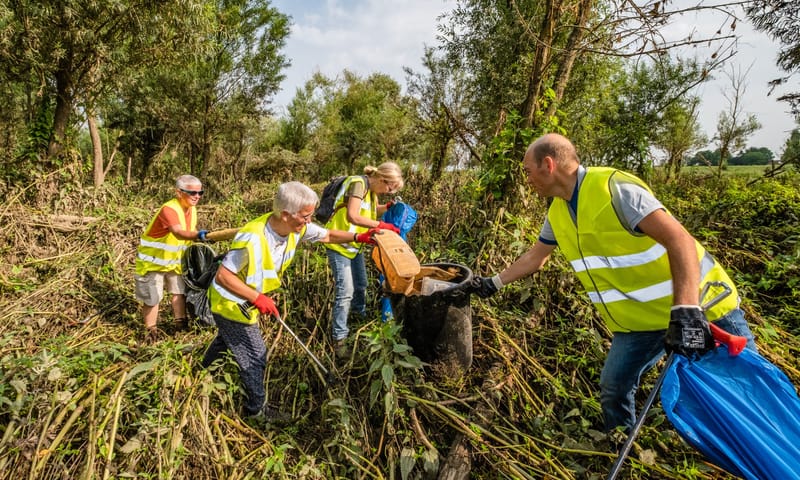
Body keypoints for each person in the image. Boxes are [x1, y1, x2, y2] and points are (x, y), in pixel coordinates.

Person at [471, 133, 757, 433]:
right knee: (614, 386)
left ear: (548, 164)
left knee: (745, 391)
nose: (526, 178)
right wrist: (493, 283)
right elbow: (535, 257)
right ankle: (619, 442)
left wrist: (686, 309)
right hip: (641, 323)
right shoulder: (557, 211)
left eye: (528, 170)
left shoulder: (614, 188)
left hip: (704, 308)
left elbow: (680, 240)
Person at [202, 181, 378, 422]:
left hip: (248, 300)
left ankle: (203, 372)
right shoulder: (251, 238)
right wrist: (257, 297)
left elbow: (327, 235)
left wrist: (359, 236)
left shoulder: (297, 228)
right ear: (286, 215)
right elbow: (223, 276)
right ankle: (257, 411)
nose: (309, 221)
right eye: (305, 216)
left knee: (228, 338)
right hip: (230, 303)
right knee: (255, 354)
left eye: (310, 216)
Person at [322, 162, 404, 355]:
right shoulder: (359, 184)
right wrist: (383, 226)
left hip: (354, 245)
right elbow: (353, 216)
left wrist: (388, 207)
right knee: (345, 291)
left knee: (361, 284)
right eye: (389, 189)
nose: (388, 192)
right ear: (382, 179)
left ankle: (359, 318)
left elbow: (372, 211)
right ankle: (339, 339)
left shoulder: (371, 191)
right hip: (338, 243)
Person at [135, 174, 210, 340]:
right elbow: (177, 232)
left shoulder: (192, 210)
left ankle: (180, 327)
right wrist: (198, 235)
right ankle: (151, 332)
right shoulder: (169, 209)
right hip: (153, 263)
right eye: (192, 193)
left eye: (200, 193)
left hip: (174, 262)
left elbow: (188, 230)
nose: (197, 196)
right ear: (178, 192)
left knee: (179, 293)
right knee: (153, 298)